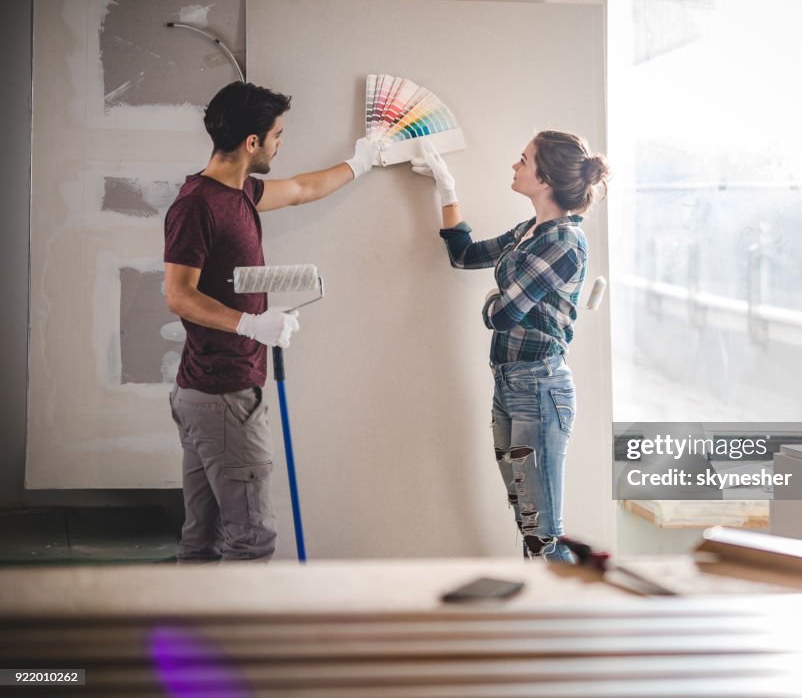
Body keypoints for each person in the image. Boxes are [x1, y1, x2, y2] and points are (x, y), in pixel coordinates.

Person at [164, 81, 378, 561]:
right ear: (252, 143)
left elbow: (303, 189)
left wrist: (364, 160)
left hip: (207, 392)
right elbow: (178, 295)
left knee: (203, 539)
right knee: (251, 539)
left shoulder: (239, 193)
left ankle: (189, 634)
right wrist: (249, 325)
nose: (282, 143)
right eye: (277, 134)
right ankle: (243, 637)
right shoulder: (197, 205)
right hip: (224, 396)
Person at [411, 131, 610, 562]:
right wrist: (447, 189)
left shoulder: (563, 243)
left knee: (543, 534)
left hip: (539, 389)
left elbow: (503, 315)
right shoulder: (529, 231)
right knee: (528, 523)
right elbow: (463, 255)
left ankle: (565, 621)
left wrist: (491, 304)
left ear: (545, 178)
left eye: (523, 160)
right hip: (509, 385)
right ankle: (542, 621)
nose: (514, 166)